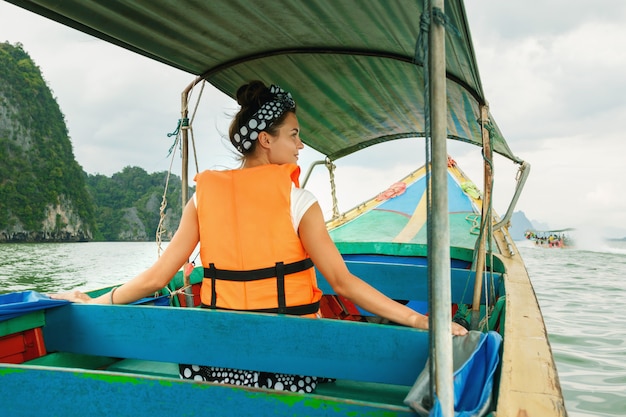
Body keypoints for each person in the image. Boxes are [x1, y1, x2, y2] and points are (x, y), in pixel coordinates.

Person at [52, 80, 468, 392]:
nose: (302, 145)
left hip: (216, 362)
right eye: (294, 134)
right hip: (288, 361)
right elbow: (342, 283)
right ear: (266, 140)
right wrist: (420, 320)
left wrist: (97, 302)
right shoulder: (299, 201)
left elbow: (157, 278)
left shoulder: (203, 198)